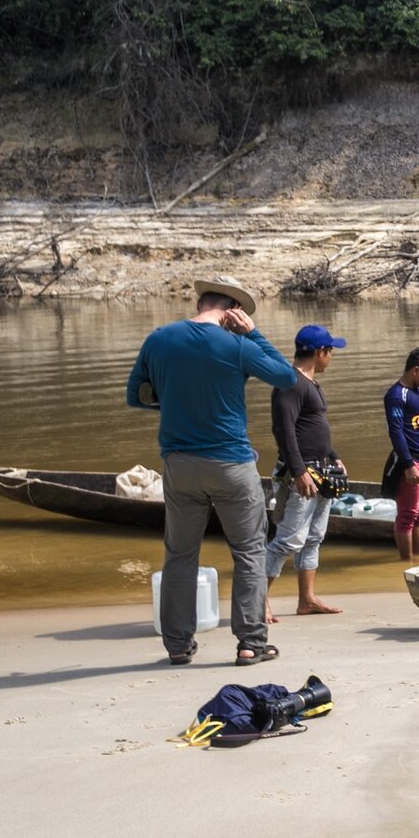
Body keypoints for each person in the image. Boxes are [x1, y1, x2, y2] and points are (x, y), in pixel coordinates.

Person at [125, 276, 296, 666]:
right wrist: (254, 335)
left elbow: (135, 394)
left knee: (180, 556)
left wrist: (176, 404)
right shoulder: (237, 345)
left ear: (201, 302)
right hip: (232, 465)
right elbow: (286, 378)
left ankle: (178, 646)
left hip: (179, 465)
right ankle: (251, 642)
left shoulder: (159, 339)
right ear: (233, 311)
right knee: (249, 552)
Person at [267, 324, 347, 616]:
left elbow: (312, 429)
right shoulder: (290, 383)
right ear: (319, 352)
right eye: (330, 351)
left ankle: (307, 600)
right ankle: (256, 602)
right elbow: (284, 431)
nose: (332, 357)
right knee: (287, 539)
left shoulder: (310, 382)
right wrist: (299, 471)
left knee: (313, 537)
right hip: (302, 474)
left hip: (322, 470)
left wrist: (334, 456)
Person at [384, 347, 419, 561]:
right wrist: (408, 465)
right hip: (410, 463)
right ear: (415, 370)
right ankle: (406, 565)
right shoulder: (397, 395)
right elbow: (396, 432)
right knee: (408, 516)